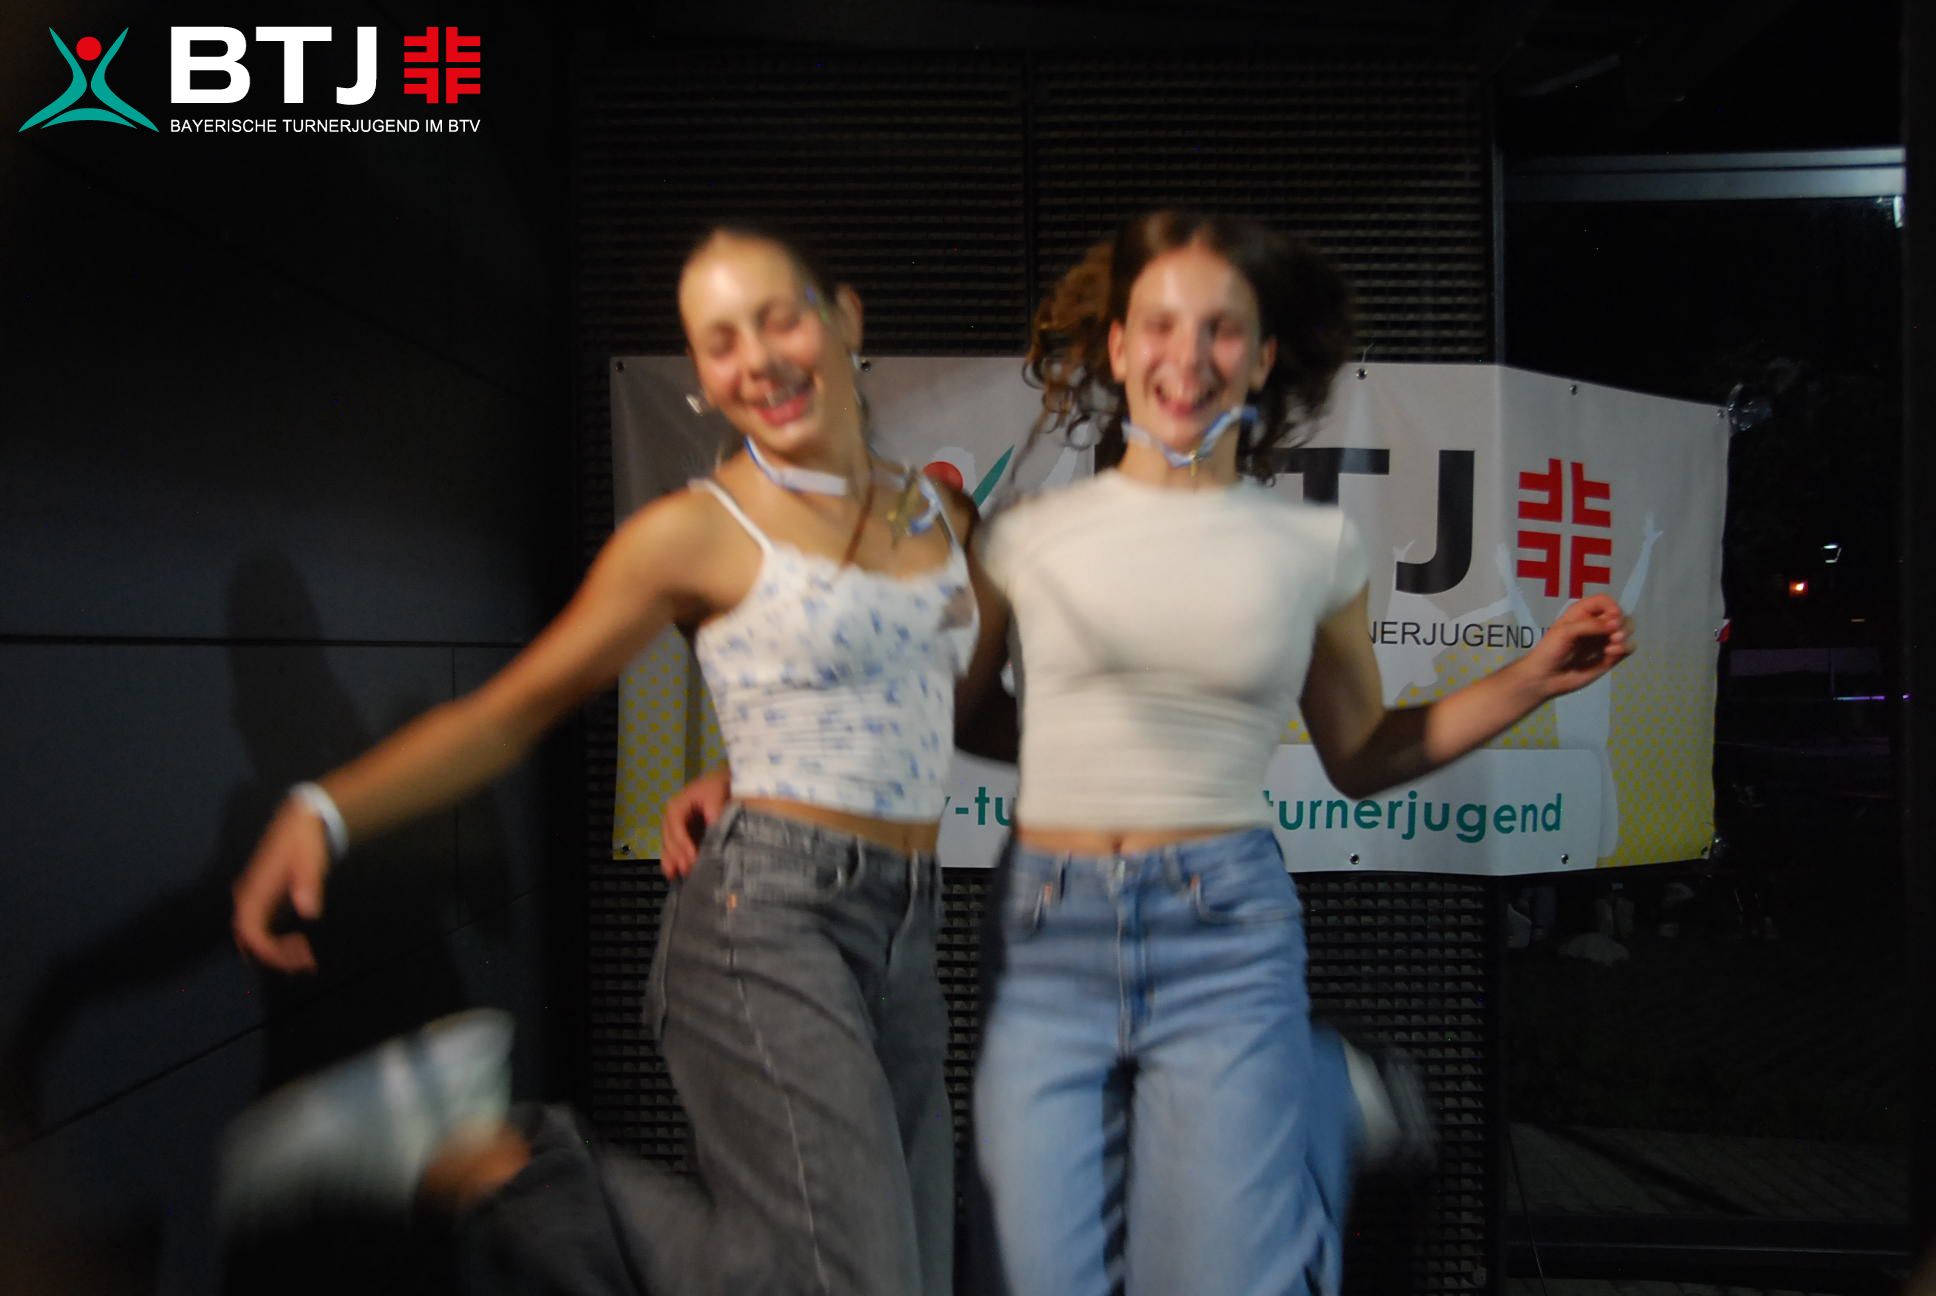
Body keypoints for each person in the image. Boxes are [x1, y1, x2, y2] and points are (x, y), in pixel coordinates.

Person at [665, 209, 1634, 1296]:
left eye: (1223, 329)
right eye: (1161, 325)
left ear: (1261, 359)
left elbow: (1362, 754)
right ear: (1119, 347)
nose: (1189, 354)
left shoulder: (1314, 547)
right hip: (1048, 940)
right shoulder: (1028, 537)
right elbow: (927, 709)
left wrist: (1529, 678)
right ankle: (1312, 1089)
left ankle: (1308, 1102)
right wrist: (750, 776)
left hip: (1223, 934)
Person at [222, 224, 1007, 1296]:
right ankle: (487, 1154)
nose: (756, 359)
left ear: (844, 319)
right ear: (702, 376)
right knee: (847, 1284)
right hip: (766, 921)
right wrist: (325, 807)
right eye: (719, 341)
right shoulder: (695, 532)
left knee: (899, 1281)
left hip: (904, 926)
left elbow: (956, 710)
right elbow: (508, 713)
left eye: (778, 318)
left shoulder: (939, 514)